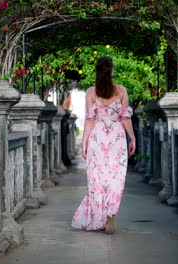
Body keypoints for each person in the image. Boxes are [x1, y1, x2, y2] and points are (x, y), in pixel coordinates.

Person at [71, 56, 136, 234]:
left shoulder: (91, 92)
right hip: (116, 137)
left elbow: (89, 120)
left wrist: (84, 142)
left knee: (97, 179)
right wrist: (132, 138)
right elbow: (125, 117)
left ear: (97, 71)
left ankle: (99, 217)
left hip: (97, 137)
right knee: (116, 177)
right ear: (111, 70)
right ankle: (111, 212)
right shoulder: (121, 90)